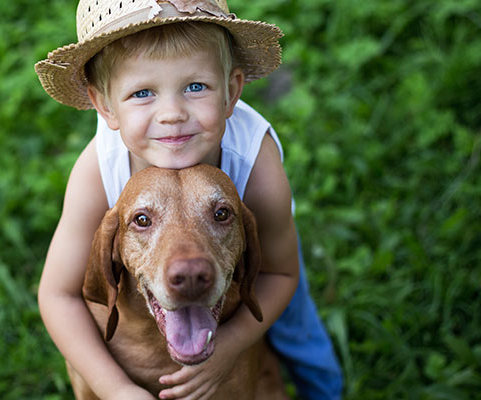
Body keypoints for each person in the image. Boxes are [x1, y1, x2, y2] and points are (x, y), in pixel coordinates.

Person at [35, 0, 342, 398]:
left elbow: (279, 274)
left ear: (232, 92)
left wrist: (232, 346)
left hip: (264, 251)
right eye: (143, 92)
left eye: (195, 86)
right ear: (105, 106)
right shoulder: (98, 168)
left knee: (296, 331)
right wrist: (114, 390)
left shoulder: (256, 160)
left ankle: (325, 390)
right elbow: (57, 294)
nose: (172, 114)